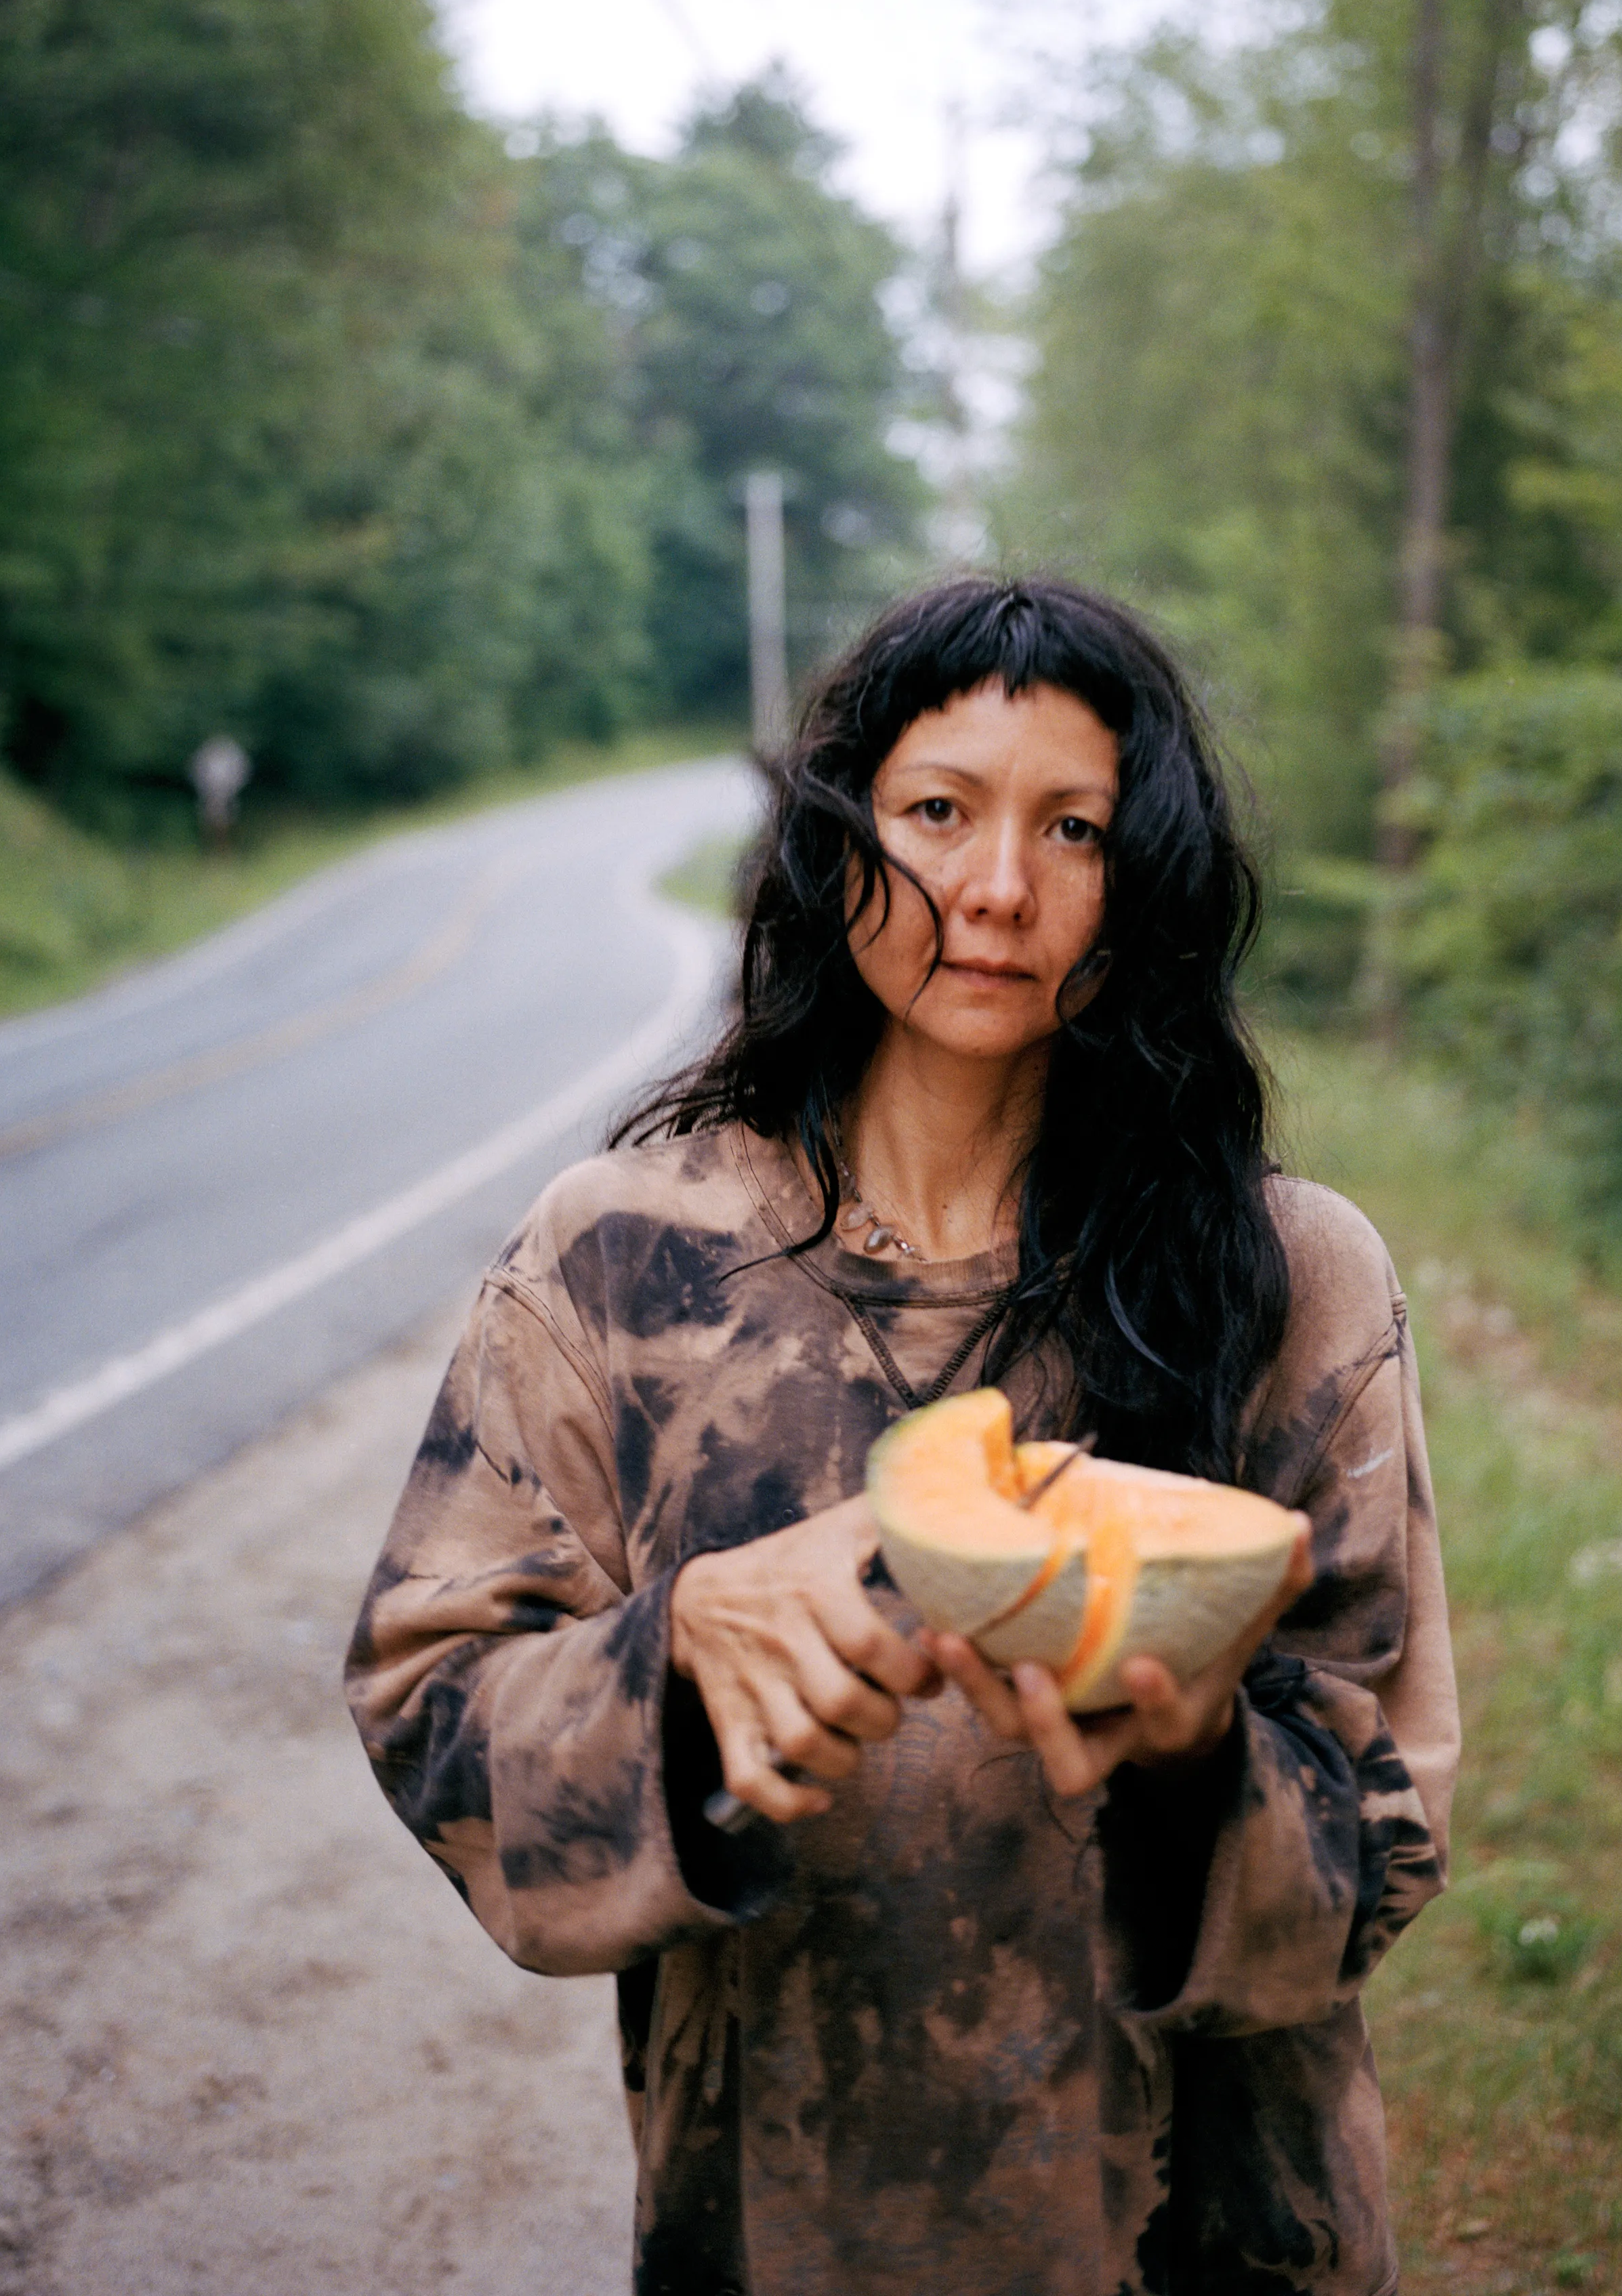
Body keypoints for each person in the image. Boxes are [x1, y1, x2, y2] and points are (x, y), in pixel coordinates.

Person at [346, 577, 1459, 2295]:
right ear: (837, 837)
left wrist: (1189, 1754)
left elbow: (1384, 1829)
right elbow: (433, 1719)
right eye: (938, 810)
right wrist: (679, 1655)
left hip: (1204, 2236)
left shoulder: (1290, 1274)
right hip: (782, 2225)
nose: (999, 886)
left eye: (1074, 827)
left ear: (1142, 876)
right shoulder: (622, 1256)